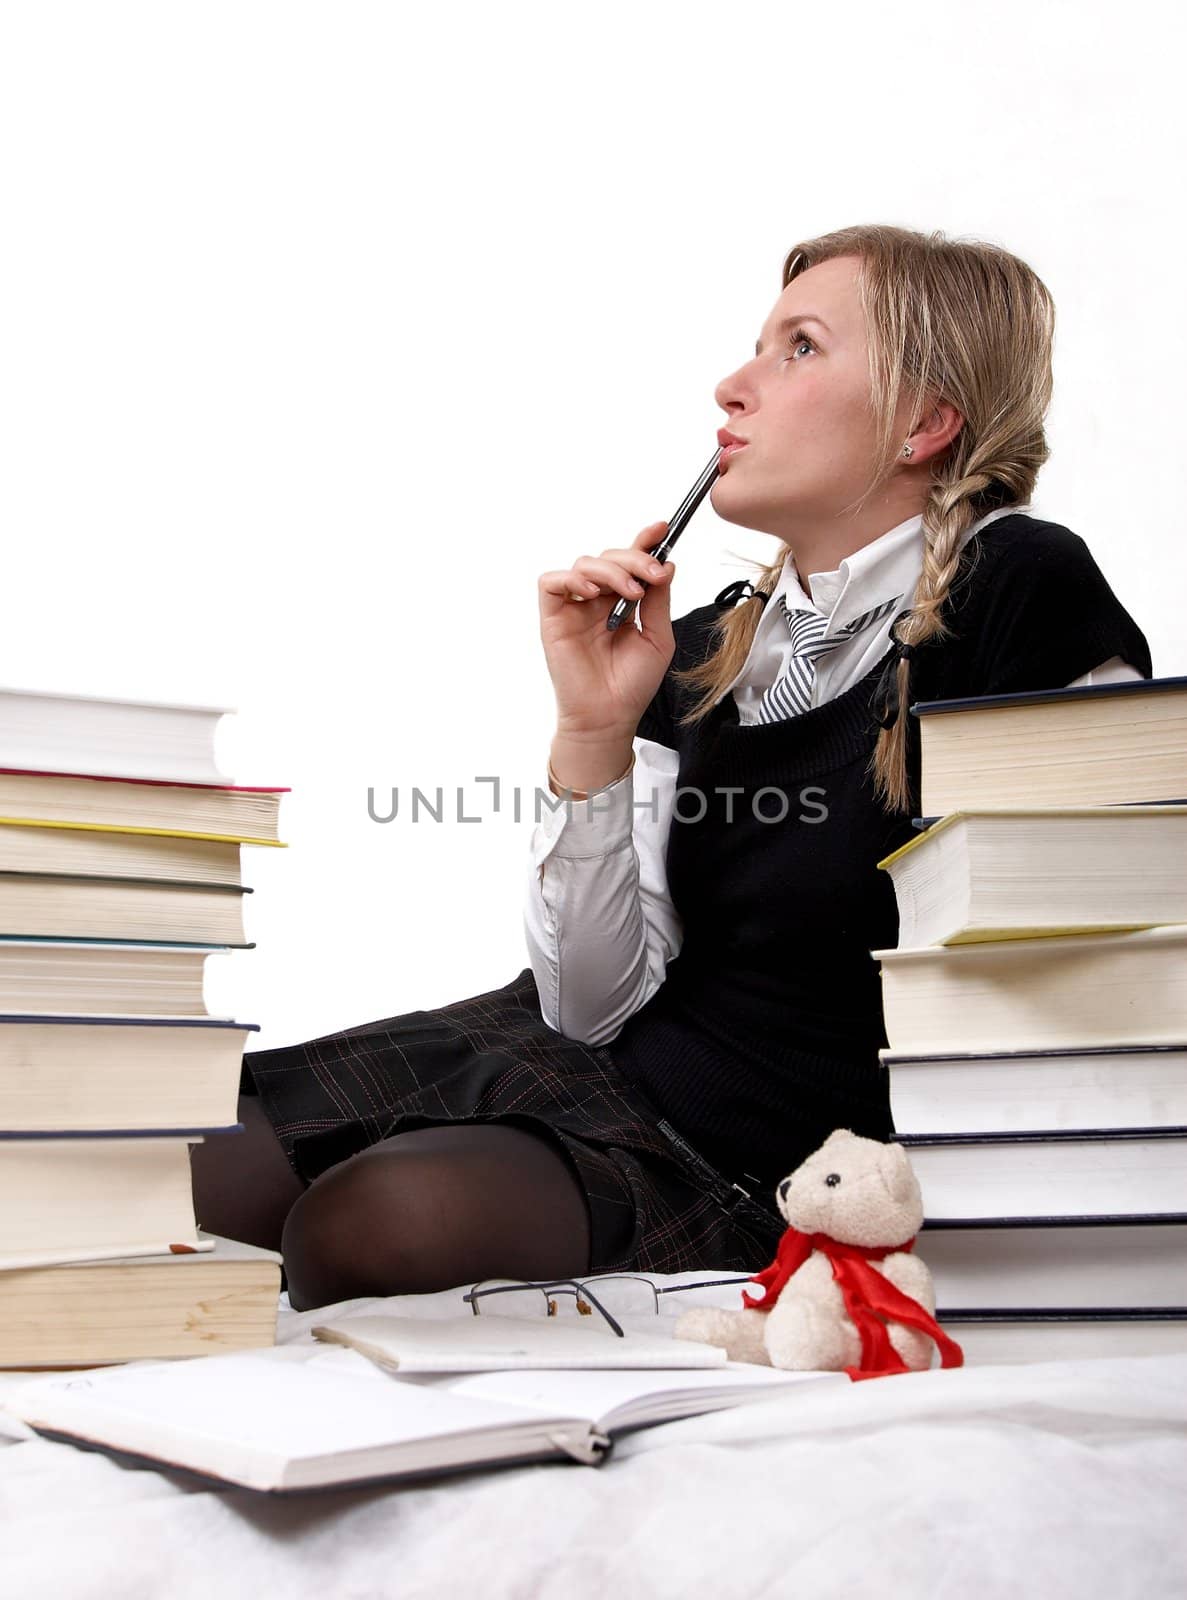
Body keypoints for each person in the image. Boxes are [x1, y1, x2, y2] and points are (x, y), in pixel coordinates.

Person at [189, 223, 1152, 1312]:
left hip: (755, 1154)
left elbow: (1102, 951)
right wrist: (593, 732)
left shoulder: (1020, 581)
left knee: (370, 1228)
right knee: (160, 1168)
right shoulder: (693, 647)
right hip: (577, 1058)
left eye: (797, 348)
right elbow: (586, 1005)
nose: (731, 387)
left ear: (925, 424)